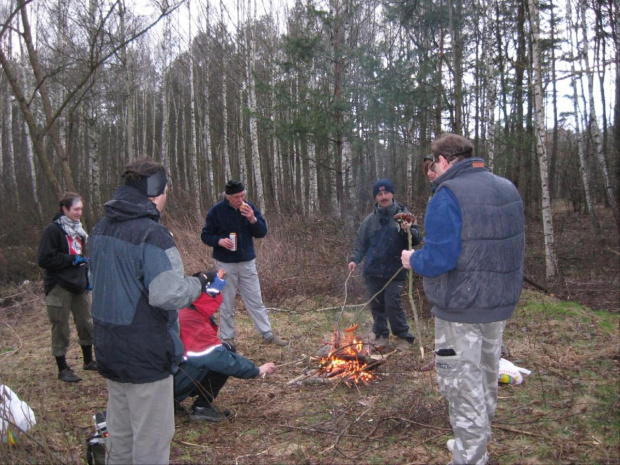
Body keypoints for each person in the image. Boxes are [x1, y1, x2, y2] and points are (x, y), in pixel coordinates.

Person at [401, 134, 524, 465]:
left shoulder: (447, 194)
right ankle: (475, 443)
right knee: (485, 375)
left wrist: (413, 260)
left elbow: (441, 258)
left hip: (460, 308)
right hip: (498, 304)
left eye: (433, 164)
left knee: (460, 383)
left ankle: (470, 456)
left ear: (443, 161)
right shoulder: (506, 188)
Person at [90, 158, 211, 465]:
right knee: (151, 444)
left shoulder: (100, 227)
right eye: (166, 190)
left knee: (120, 441)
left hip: (109, 349)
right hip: (145, 355)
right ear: (157, 193)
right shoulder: (152, 234)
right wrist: (200, 282)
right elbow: (167, 294)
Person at [174, 269, 277, 422]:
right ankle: (197, 407)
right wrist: (256, 370)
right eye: (214, 290)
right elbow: (218, 357)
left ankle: (173, 403)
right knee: (221, 356)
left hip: (166, 376)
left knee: (225, 350)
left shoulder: (188, 308)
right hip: (162, 384)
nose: (217, 294)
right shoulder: (190, 319)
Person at [201, 180, 287, 346]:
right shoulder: (216, 211)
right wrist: (219, 241)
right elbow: (205, 235)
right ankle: (227, 339)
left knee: (255, 300)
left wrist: (253, 219)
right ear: (227, 197)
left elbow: (262, 232)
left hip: (247, 262)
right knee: (226, 302)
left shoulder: (249, 208)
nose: (240, 200)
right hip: (225, 264)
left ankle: (267, 334)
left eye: (242, 196)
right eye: (236, 197)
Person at [348, 179, 422, 351]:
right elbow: (360, 243)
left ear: (392, 194)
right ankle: (381, 336)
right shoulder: (370, 220)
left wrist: (407, 229)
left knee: (392, 303)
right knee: (377, 305)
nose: (383, 197)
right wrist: (354, 260)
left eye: (386, 193)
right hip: (373, 270)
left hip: (395, 270)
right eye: (379, 194)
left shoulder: (403, 215)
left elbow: (417, 238)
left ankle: (404, 337)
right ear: (376, 197)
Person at [37, 192, 96, 383]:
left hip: (79, 284)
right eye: (76, 209)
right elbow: (44, 259)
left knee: (86, 323)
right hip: (59, 285)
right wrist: (71, 260)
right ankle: (63, 368)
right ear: (65, 209)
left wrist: (87, 279)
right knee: (60, 326)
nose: (79, 212)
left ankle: (88, 361)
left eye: (81, 209)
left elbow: (82, 257)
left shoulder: (79, 230)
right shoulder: (53, 231)